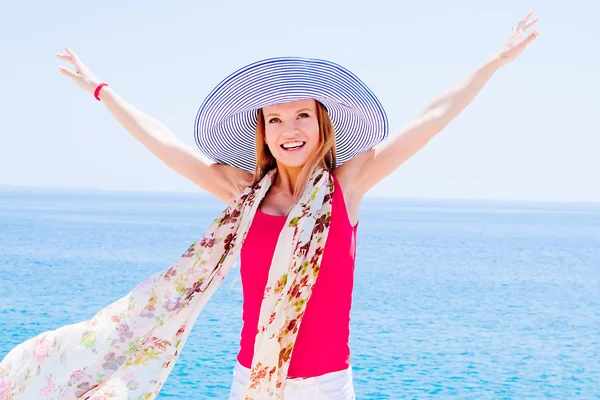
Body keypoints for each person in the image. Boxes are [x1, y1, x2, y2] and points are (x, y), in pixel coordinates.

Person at [0, 10, 539, 400]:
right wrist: (101, 90)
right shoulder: (243, 195)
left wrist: (495, 60)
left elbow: (432, 116)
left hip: (328, 386)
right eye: (275, 119)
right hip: (251, 380)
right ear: (262, 131)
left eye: (302, 115)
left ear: (322, 122)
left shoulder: (348, 185)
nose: (289, 129)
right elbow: (162, 143)